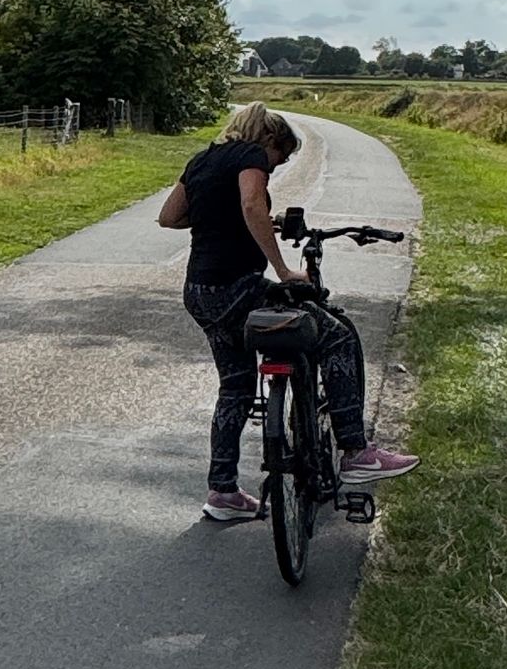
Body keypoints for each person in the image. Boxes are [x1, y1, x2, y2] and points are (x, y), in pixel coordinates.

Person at [157, 102, 417, 526]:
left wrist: (225, 217)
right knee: (337, 334)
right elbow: (251, 204)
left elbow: (169, 217)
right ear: (269, 141)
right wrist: (282, 269)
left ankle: (223, 492)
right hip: (237, 287)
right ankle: (356, 452)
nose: (275, 168)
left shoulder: (202, 160)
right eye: (279, 159)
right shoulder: (250, 154)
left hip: (200, 292)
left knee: (236, 388)